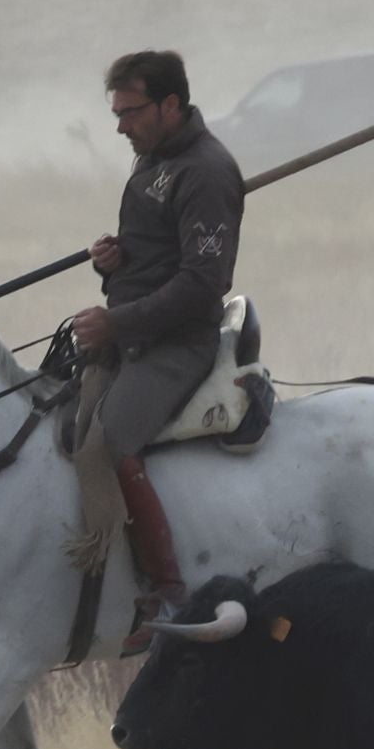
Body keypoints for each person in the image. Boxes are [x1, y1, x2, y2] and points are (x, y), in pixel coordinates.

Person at [72, 50, 245, 650]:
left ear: (171, 104)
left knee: (108, 445)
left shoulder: (207, 173)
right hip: (136, 336)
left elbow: (202, 286)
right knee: (65, 427)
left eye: (130, 111)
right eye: (116, 113)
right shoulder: (152, 161)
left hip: (178, 343)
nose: (120, 125)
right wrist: (117, 262)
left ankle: (169, 592)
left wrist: (115, 322)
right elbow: (159, 259)